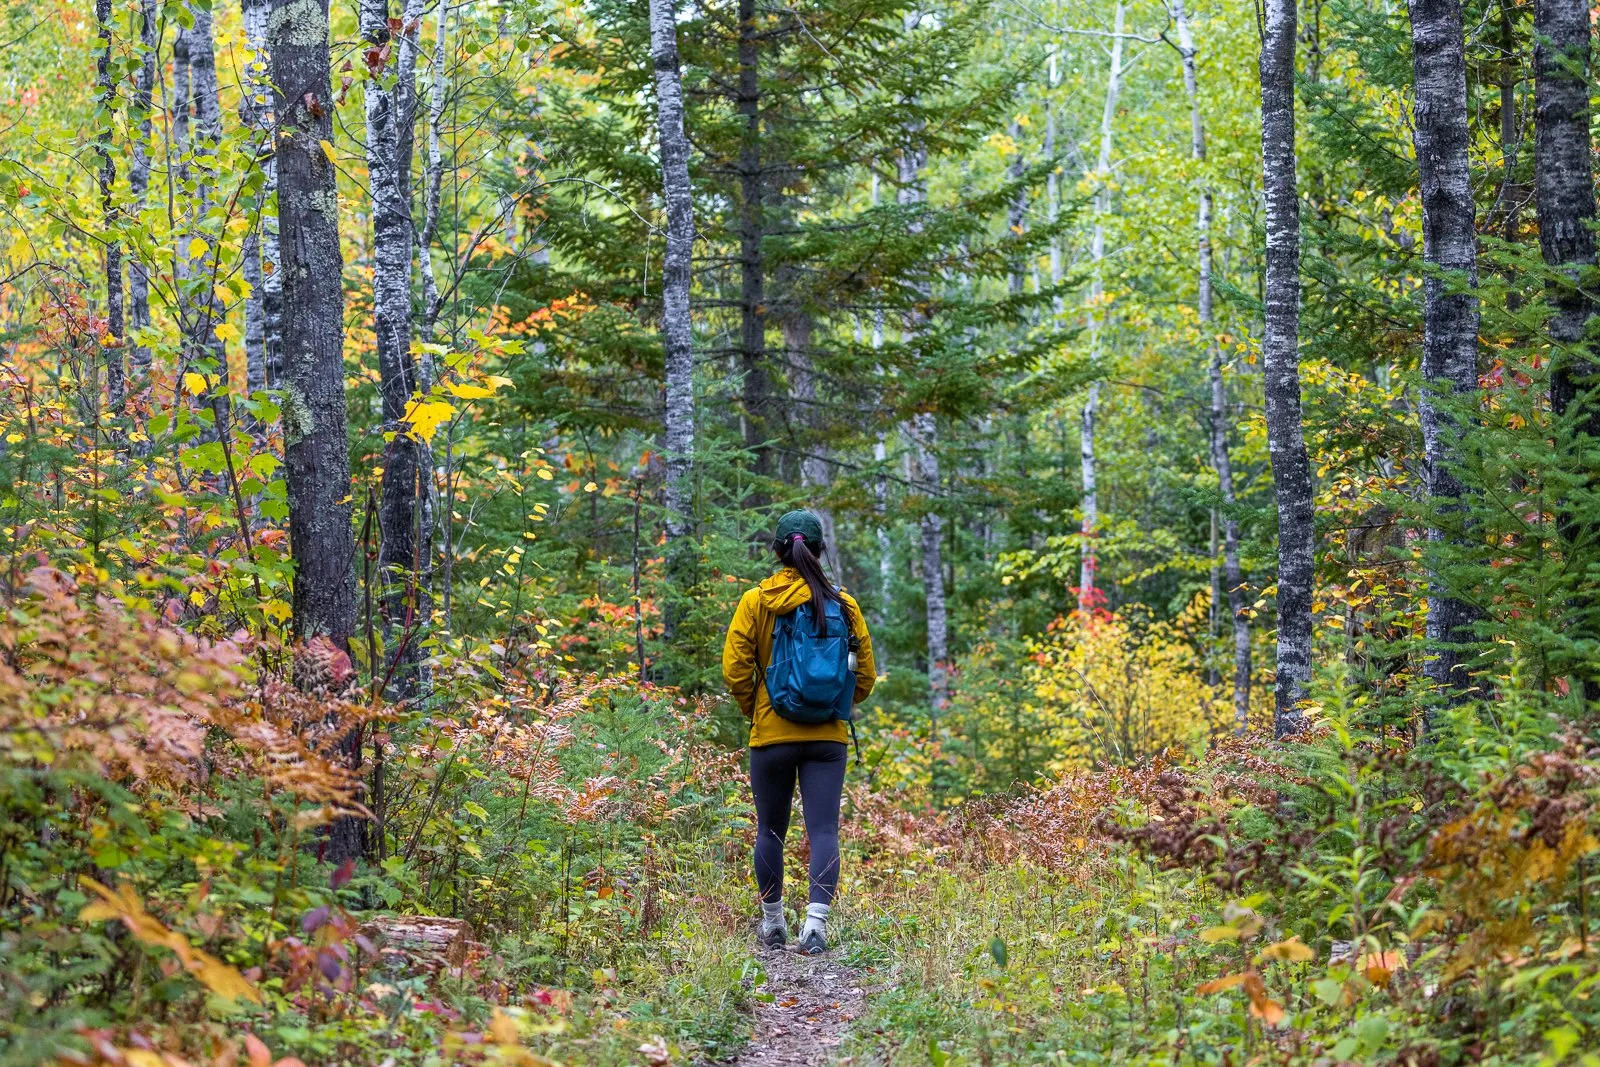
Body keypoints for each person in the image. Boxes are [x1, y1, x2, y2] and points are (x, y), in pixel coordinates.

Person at [722, 510, 876, 954]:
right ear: (820, 550)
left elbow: (734, 668)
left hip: (771, 734)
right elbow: (863, 675)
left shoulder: (756, 601)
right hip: (827, 737)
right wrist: (837, 705)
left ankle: (773, 925)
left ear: (777, 550)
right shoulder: (843, 604)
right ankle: (815, 928)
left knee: (770, 828)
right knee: (824, 828)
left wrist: (758, 708)